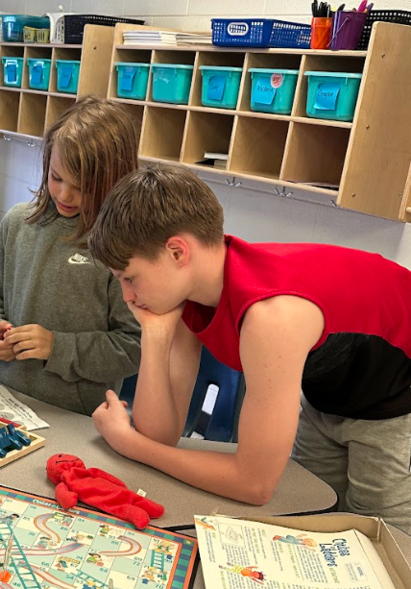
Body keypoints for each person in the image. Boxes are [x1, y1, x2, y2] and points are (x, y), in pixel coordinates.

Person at [88, 166, 411, 531]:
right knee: (317, 514)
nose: (128, 297)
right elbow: (160, 436)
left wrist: (126, 442)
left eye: (129, 278)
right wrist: (154, 335)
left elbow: (254, 484)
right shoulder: (188, 290)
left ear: (178, 252)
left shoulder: (270, 316)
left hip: (397, 398)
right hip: (327, 392)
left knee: (386, 534)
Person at [0, 97, 142, 415]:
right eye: (56, 177)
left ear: (115, 180)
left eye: (82, 186)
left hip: (71, 415)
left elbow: (133, 346)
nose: (64, 194)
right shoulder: (18, 221)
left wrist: (58, 348)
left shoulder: (123, 248)